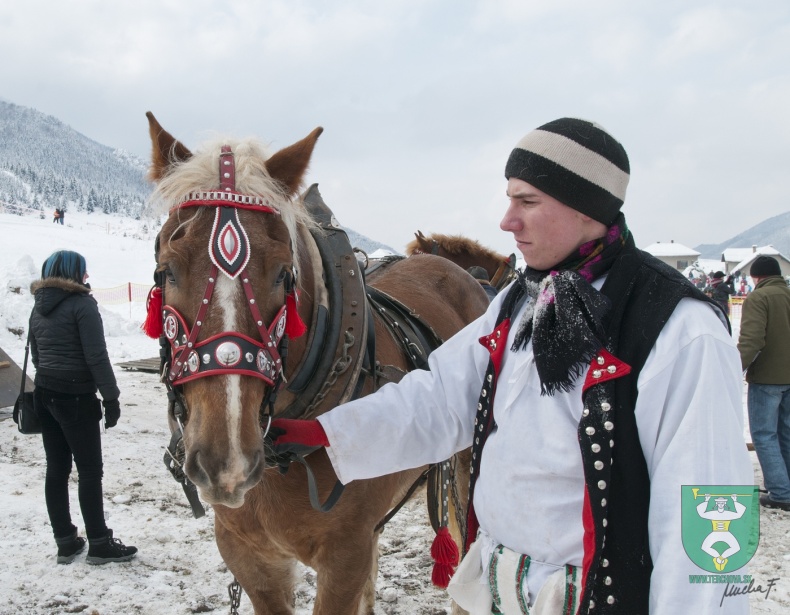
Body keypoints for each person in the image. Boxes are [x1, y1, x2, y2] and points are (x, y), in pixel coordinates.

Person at [271, 118, 752, 613]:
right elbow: (441, 398)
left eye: (527, 201)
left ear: (585, 206)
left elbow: (711, 506)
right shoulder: (518, 303)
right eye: (509, 199)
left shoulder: (681, 329)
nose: (507, 221)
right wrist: (326, 432)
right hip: (500, 592)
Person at [29, 250, 137, 565]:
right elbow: (96, 356)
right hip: (76, 397)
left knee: (56, 469)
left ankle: (65, 542)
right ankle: (100, 544)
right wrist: (111, 398)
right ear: (73, 272)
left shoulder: (38, 306)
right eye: (83, 270)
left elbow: (36, 354)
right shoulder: (82, 305)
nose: (87, 276)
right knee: (89, 471)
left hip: (45, 392)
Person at [737, 255, 790, 511]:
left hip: (767, 377)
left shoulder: (758, 298)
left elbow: (752, 340)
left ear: (756, 277)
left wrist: (734, 367)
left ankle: (780, 493)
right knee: (786, 433)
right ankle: (786, 486)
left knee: (764, 435)